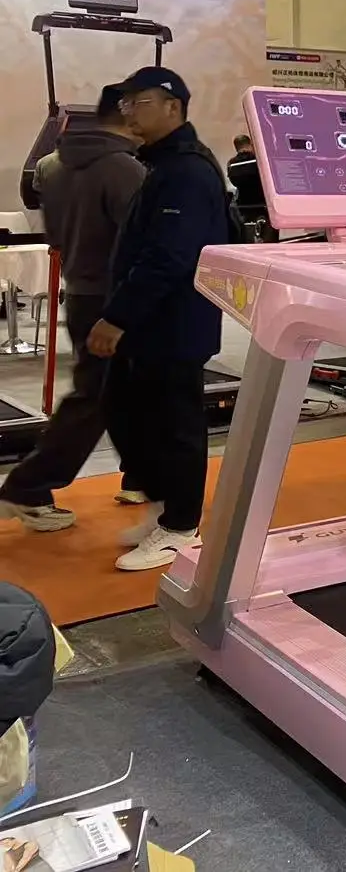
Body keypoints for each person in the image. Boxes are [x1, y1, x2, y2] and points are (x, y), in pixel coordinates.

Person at [93, 68, 231, 571]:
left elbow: (170, 256)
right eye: (125, 103)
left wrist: (117, 316)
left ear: (173, 107)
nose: (128, 111)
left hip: (174, 322)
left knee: (175, 424)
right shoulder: (161, 164)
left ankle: (180, 527)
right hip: (151, 322)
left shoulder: (186, 171)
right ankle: (165, 507)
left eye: (140, 102)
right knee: (127, 411)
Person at [0, 87, 145, 533]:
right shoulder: (125, 169)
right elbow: (143, 239)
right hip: (115, 296)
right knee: (95, 396)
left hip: (81, 289)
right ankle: (28, 486)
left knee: (122, 391)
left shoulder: (51, 165)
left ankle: (141, 476)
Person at [227, 133, 266, 214]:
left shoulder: (231, 163)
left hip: (243, 205)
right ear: (250, 144)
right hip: (262, 203)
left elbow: (234, 182)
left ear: (236, 147)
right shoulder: (259, 159)